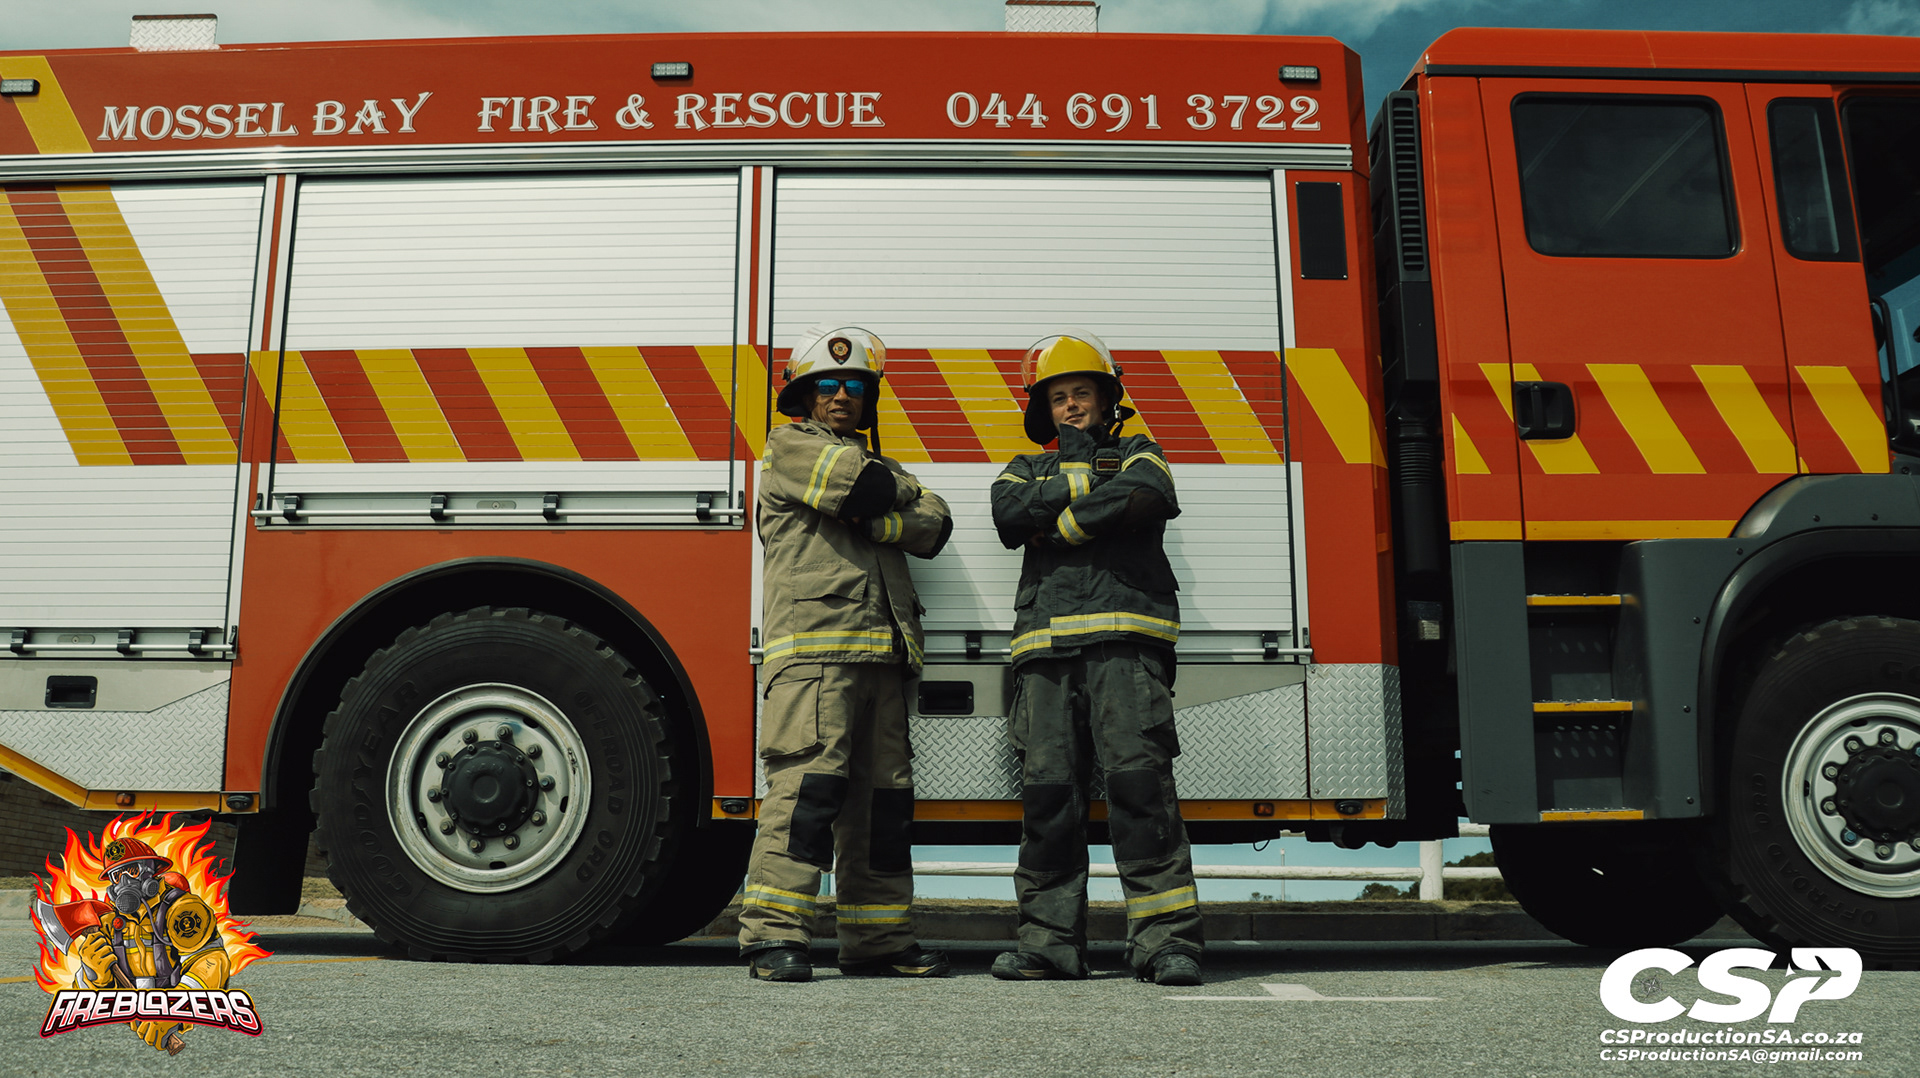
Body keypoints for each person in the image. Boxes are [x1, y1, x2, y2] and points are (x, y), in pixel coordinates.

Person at [739, 323, 954, 982]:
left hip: (882, 658)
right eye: (828, 384)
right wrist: (892, 502)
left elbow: (936, 524)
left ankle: (878, 939)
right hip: (816, 657)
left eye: (855, 387)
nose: (841, 396)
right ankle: (774, 936)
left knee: (882, 807)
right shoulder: (789, 446)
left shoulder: (873, 462)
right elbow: (868, 492)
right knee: (806, 794)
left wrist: (883, 512)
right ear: (805, 396)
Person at [988, 331, 1204, 986]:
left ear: (1107, 399)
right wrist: (1091, 493)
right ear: (1045, 410)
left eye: (1082, 393)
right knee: (1048, 801)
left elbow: (1149, 494)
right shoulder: (1024, 466)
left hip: (1125, 650)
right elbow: (1007, 513)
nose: (1072, 406)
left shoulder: (1141, 452)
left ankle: (1166, 945)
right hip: (1045, 655)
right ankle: (1048, 944)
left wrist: (1063, 524)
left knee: (1142, 794)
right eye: (1059, 398)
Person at [71, 836, 230, 1051]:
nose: (124, 882)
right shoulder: (108, 922)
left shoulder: (182, 910)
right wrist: (93, 976)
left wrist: (174, 1009)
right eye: (116, 875)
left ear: (151, 872)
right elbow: (81, 998)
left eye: (132, 871)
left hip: (173, 1016)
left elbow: (211, 961)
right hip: (129, 1023)